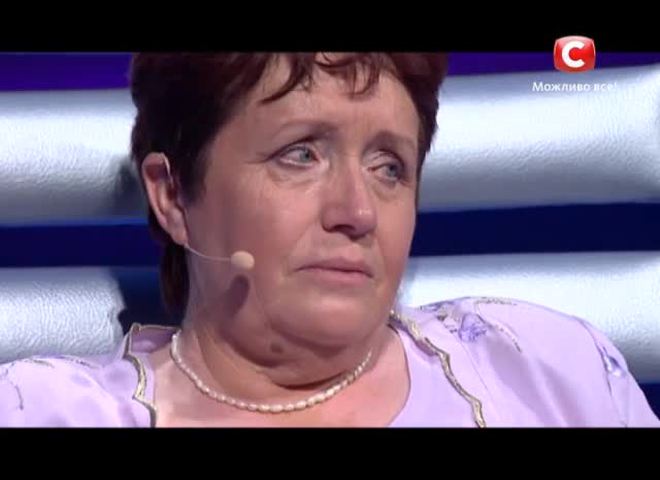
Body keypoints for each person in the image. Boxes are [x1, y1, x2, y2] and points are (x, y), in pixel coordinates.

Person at [1, 53, 657, 427]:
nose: (358, 212)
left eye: (389, 167)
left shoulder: (545, 369)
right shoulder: (45, 412)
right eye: (301, 154)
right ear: (173, 196)